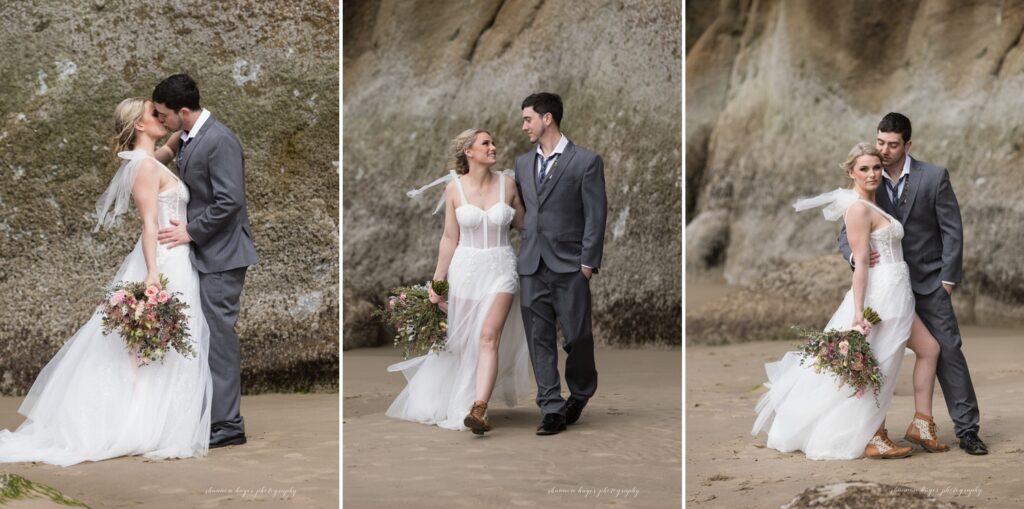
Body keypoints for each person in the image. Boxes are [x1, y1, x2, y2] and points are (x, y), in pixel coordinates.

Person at [0, 98, 211, 466]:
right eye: (154, 114)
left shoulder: (146, 160)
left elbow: (162, 151)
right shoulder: (143, 167)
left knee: (165, 342)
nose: (161, 117)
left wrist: (186, 128)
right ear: (141, 126)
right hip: (164, 258)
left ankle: (155, 419)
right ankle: (139, 422)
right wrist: (150, 274)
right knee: (155, 343)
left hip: (177, 255)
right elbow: (149, 224)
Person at [752, 143, 947, 460]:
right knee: (882, 363)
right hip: (881, 293)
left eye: (876, 167)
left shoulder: (874, 204)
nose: (872, 174)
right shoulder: (857, 209)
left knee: (929, 349)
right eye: (864, 169)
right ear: (850, 172)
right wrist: (858, 313)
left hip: (899, 289)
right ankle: (874, 435)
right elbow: (861, 265)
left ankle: (921, 424)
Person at [839, 113, 986, 455]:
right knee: (880, 357)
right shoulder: (868, 179)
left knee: (947, 351)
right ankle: (875, 432)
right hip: (885, 288)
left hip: (930, 283)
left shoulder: (934, 177)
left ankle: (967, 430)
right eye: (880, 143)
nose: (884, 151)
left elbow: (952, 230)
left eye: (892, 145)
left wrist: (947, 280)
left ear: (908, 144)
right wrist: (854, 258)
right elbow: (845, 234)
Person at [386, 129, 532, 434]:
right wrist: (437, 283)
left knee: (488, 336)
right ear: (468, 151)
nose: (494, 147)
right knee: (465, 344)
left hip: (501, 269)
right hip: (465, 270)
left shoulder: (508, 185)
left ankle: (479, 409)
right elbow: (450, 238)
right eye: (486, 143)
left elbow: (525, 225)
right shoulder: (454, 190)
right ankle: (461, 403)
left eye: (493, 143)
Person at [152, 74, 258, 449]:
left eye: (163, 115)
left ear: (183, 111)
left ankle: (228, 424)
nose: (161, 120)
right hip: (206, 253)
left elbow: (230, 202)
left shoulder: (220, 140)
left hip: (223, 255)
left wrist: (191, 232)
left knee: (220, 337)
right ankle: (210, 414)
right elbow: (159, 158)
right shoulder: (189, 135)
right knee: (207, 335)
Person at [514, 92, 607, 435]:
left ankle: (580, 392)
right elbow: (523, 212)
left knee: (578, 338)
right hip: (531, 265)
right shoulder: (522, 165)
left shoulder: (586, 161)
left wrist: (587, 262)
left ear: (547, 118)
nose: (524, 125)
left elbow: (596, 216)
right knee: (538, 337)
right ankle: (551, 407)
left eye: (528, 119)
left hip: (570, 265)